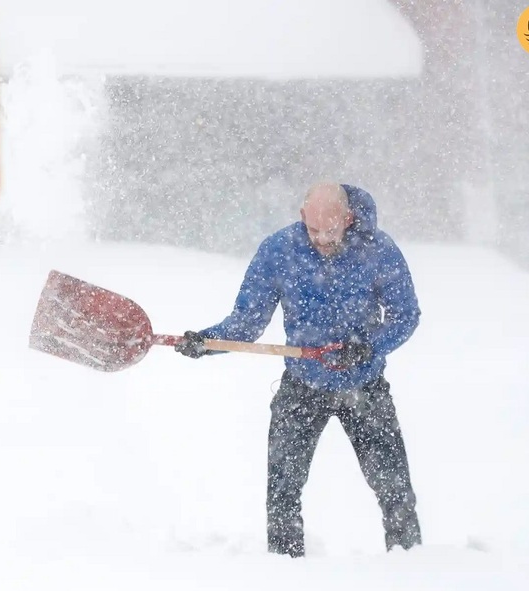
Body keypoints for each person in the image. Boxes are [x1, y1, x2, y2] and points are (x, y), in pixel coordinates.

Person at [175, 183, 422, 557]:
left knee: (394, 487)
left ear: (348, 219)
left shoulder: (378, 251)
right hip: (303, 385)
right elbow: (248, 320)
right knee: (283, 488)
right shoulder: (278, 251)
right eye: (313, 229)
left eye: (331, 230)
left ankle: (412, 565)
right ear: (302, 216)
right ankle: (285, 571)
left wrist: (369, 347)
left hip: (363, 386)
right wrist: (207, 342)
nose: (322, 239)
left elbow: (406, 316)